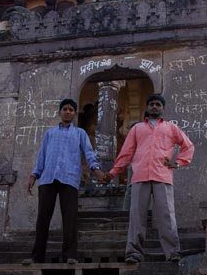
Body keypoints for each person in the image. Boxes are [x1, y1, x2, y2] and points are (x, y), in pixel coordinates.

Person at [103, 94, 194, 264]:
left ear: (163, 109)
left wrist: (178, 162)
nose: (154, 107)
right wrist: (113, 173)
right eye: (151, 104)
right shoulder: (137, 129)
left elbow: (188, 146)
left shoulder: (171, 128)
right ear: (147, 107)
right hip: (140, 176)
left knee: (167, 216)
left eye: (158, 104)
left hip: (163, 176)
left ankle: (173, 253)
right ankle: (133, 254)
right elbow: (126, 153)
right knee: (137, 216)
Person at [26, 98, 104, 264]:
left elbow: (89, 153)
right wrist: (34, 175)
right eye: (65, 109)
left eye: (71, 109)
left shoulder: (80, 134)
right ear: (60, 112)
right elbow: (42, 155)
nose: (68, 112)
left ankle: (70, 256)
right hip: (47, 178)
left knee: (70, 218)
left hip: (69, 178)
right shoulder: (50, 134)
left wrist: (96, 170)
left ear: (75, 114)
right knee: (42, 219)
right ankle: (36, 257)